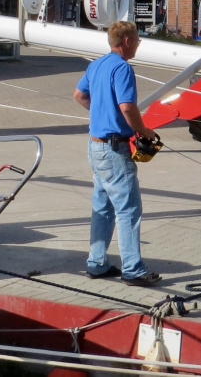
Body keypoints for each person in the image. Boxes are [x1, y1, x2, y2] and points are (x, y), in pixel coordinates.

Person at [73, 21, 162, 286]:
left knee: (102, 207)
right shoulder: (123, 68)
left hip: (95, 146)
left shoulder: (96, 64)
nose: (138, 44)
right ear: (126, 41)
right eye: (137, 39)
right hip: (114, 149)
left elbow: (79, 95)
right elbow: (127, 107)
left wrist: (100, 114)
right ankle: (133, 269)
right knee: (128, 209)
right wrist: (144, 131)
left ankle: (97, 263)